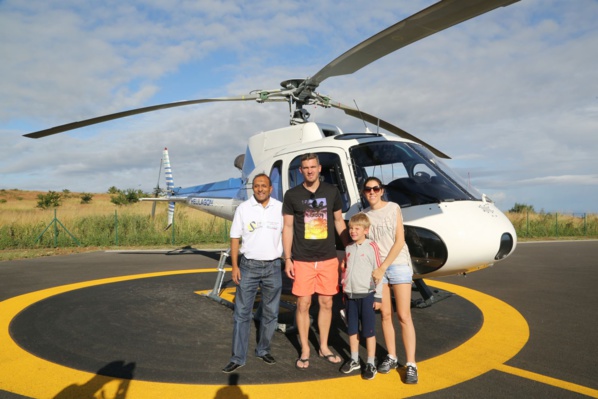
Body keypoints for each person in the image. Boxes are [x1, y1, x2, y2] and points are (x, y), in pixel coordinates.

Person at [282, 153, 349, 370]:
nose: (309, 170)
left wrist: (351, 250)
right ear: (300, 171)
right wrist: (288, 258)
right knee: (303, 304)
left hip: (328, 258)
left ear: (319, 168)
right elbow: (288, 227)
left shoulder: (331, 191)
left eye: (313, 166)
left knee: (327, 303)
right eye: (305, 167)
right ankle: (305, 350)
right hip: (302, 260)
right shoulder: (292, 195)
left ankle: (324, 346)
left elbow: (339, 222)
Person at [222, 173, 283, 373]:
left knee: (271, 312)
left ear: (270, 188)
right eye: (256, 186)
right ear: (253, 188)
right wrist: (235, 266)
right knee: (242, 313)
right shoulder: (243, 209)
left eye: (263, 185)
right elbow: (234, 238)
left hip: (273, 266)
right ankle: (238, 357)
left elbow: (288, 233)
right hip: (248, 266)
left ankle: (263, 349)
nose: (260, 189)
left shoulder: (280, 209)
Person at [362, 176, 419, 384]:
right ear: (363, 192)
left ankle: (411, 364)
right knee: (386, 314)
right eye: (368, 189)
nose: (372, 192)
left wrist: (383, 267)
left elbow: (400, 240)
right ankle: (392, 356)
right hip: (379, 270)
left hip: (397, 264)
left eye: (376, 188)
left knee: (404, 316)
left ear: (382, 190)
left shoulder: (393, 208)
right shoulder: (363, 215)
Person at [339, 213, 383, 380]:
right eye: (350, 228)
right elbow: (347, 271)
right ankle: (355, 359)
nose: (352, 231)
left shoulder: (372, 247)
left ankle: (371, 362)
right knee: (351, 330)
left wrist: (378, 297)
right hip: (350, 296)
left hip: (366, 295)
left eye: (357, 228)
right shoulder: (349, 248)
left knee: (369, 331)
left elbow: (378, 272)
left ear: (366, 230)